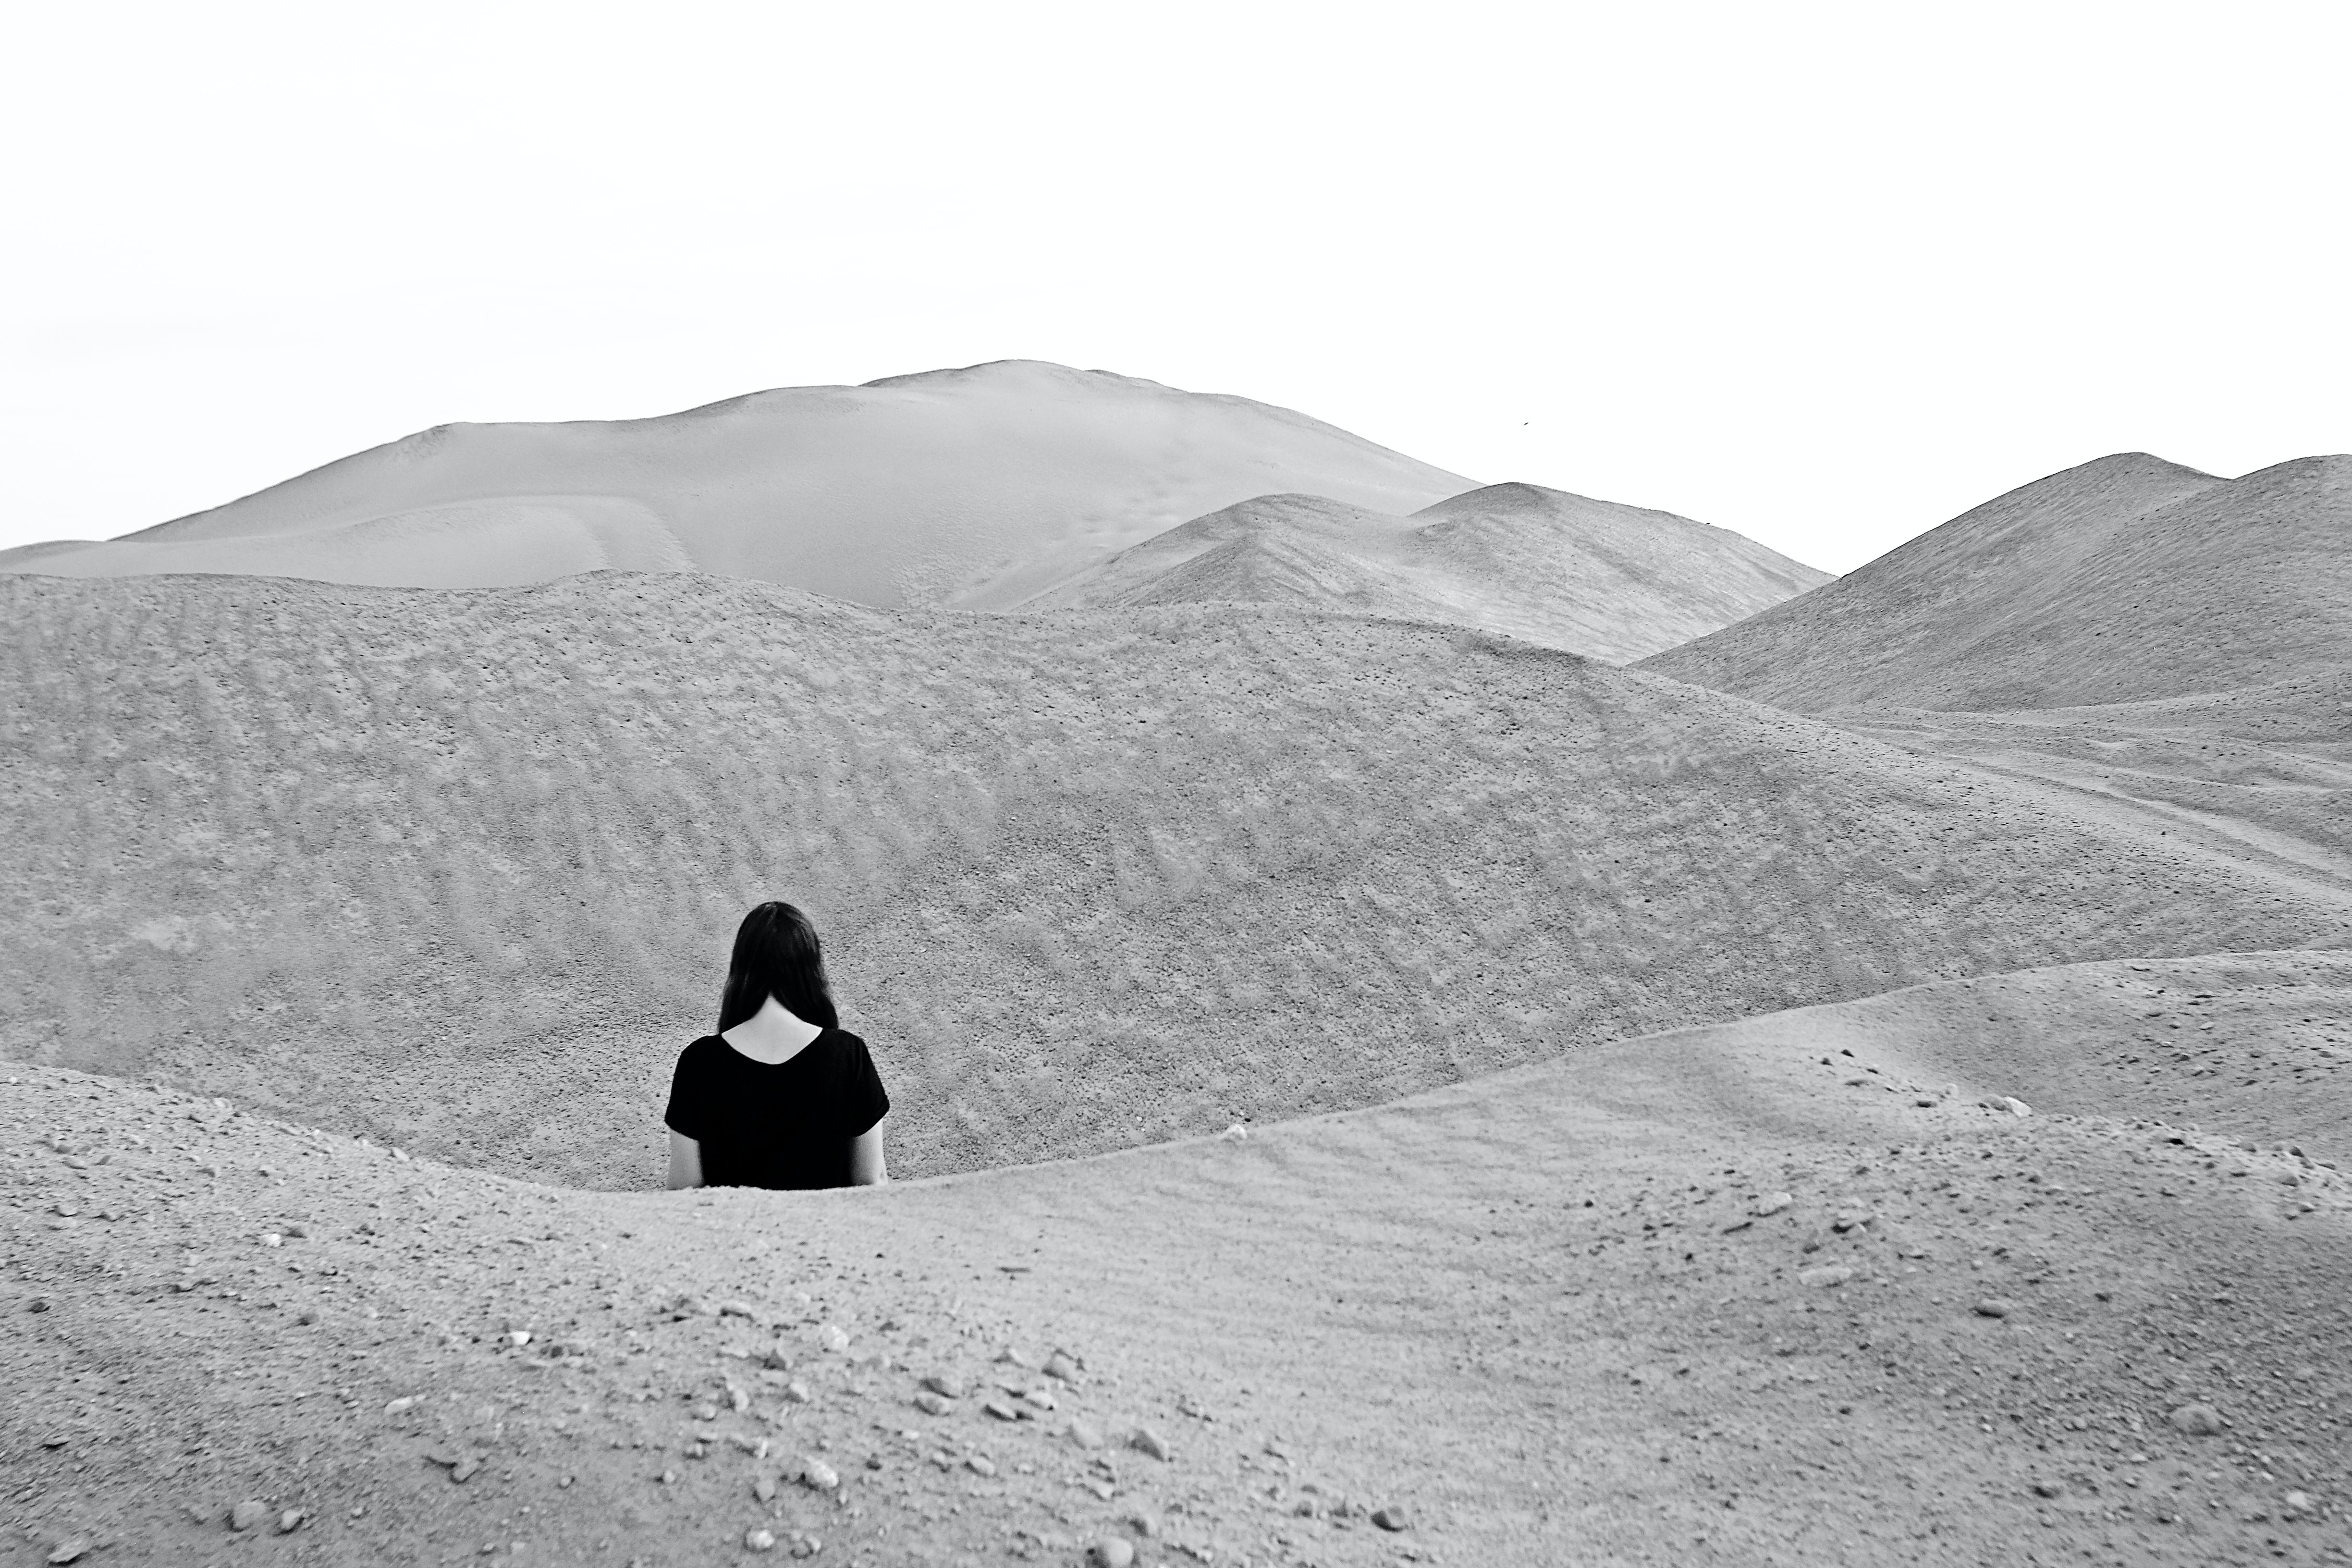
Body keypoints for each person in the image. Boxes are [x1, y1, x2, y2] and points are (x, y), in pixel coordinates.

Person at [662, 901, 890, 1190]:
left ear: (740, 967)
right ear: (811, 970)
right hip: (827, 1221)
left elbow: (684, 1187)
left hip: (734, 1221)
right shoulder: (849, 1054)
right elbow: (871, 1181)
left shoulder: (698, 1061)